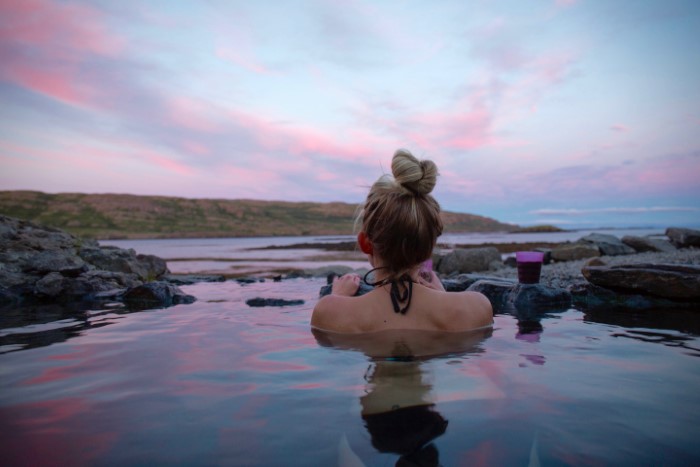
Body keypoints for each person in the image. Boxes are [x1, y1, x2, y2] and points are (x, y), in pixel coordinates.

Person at [311, 149, 493, 333]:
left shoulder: (329, 312)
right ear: (429, 246)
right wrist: (441, 295)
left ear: (365, 243)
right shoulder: (476, 307)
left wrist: (337, 297)